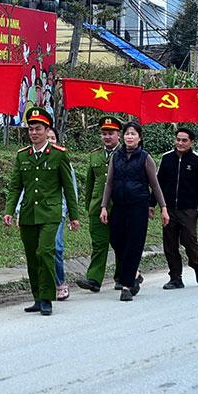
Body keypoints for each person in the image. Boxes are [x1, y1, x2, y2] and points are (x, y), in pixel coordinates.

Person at [3, 107, 81, 317]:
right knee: (32, 257)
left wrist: (74, 216)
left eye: (38, 129)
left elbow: (68, 189)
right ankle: (37, 297)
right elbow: (15, 187)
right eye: (31, 129)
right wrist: (9, 210)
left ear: (47, 131)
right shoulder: (22, 157)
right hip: (29, 213)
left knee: (45, 252)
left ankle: (47, 298)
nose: (34, 133)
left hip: (50, 213)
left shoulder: (58, 155)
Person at [100, 123, 169, 302]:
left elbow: (155, 184)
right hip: (119, 205)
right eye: (127, 134)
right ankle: (135, 273)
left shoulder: (145, 158)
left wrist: (163, 207)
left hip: (138, 206)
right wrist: (103, 206)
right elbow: (109, 183)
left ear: (139, 138)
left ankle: (126, 286)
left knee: (134, 243)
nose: (130, 137)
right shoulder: (117, 156)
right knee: (116, 239)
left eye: (133, 134)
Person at [156, 127, 198, 290]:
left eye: (184, 140)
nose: (180, 143)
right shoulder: (166, 159)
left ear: (191, 142)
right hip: (169, 208)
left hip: (188, 209)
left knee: (190, 240)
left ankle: (196, 264)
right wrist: (152, 204)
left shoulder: (197, 160)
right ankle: (175, 278)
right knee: (170, 244)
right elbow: (158, 183)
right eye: (178, 139)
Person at [76, 116, 123, 293]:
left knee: (120, 244)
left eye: (111, 133)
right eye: (104, 133)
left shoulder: (125, 153)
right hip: (97, 206)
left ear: (119, 134)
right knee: (99, 244)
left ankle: (122, 276)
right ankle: (94, 279)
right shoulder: (95, 155)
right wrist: (89, 206)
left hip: (119, 206)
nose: (107, 137)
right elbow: (90, 183)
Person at [46, 128, 70, 301]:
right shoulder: (32, 158)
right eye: (48, 138)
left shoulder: (62, 158)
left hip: (58, 211)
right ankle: (47, 285)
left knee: (57, 247)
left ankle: (60, 282)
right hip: (38, 212)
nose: (50, 140)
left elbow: (70, 188)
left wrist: (72, 213)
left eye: (53, 138)